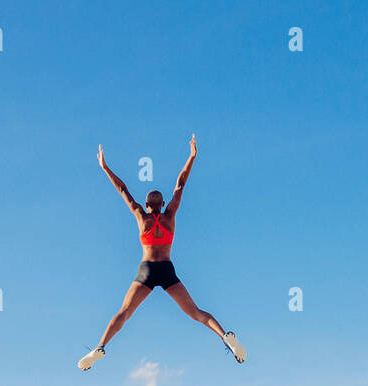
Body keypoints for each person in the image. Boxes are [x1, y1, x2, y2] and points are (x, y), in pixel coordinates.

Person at [78, 135, 245, 370]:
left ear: (147, 205)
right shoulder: (170, 215)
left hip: (147, 270)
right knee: (196, 312)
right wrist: (192, 157)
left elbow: (122, 188)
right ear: (163, 203)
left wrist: (105, 167)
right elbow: (181, 183)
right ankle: (225, 335)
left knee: (124, 313)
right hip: (167, 269)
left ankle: (101, 346)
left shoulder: (140, 215)